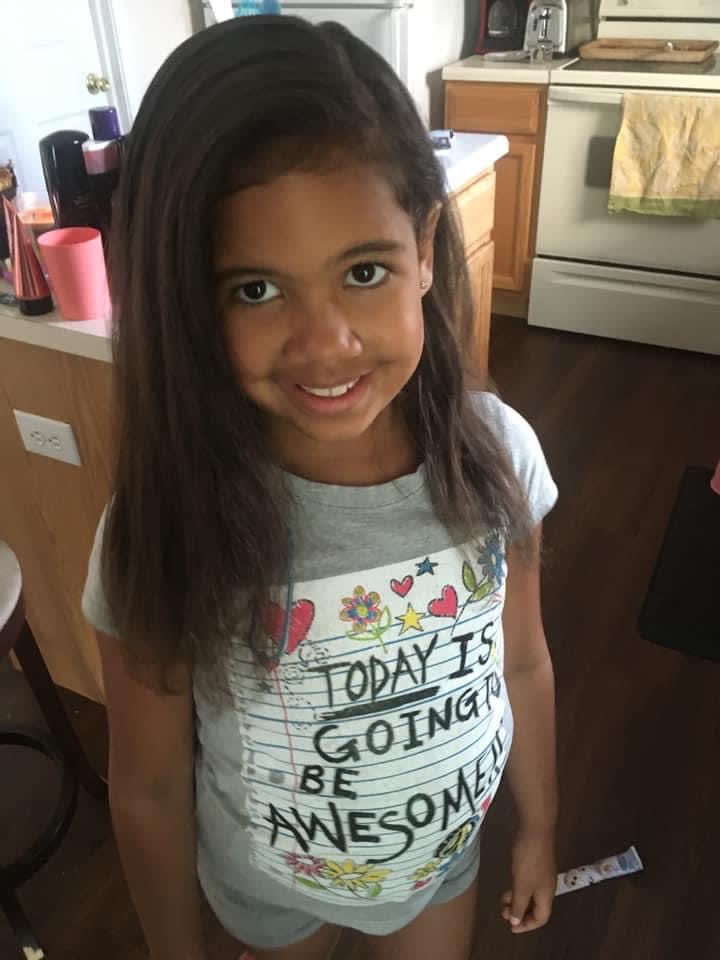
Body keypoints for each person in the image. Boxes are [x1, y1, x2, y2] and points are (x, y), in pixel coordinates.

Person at [82, 15, 559, 960]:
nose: (327, 344)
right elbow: (148, 788)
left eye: (364, 271)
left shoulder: (499, 456)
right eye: (255, 290)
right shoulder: (166, 525)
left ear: (426, 249)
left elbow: (525, 663)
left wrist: (540, 827)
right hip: (270, 895)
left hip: (440, 868)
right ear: (188, 301)